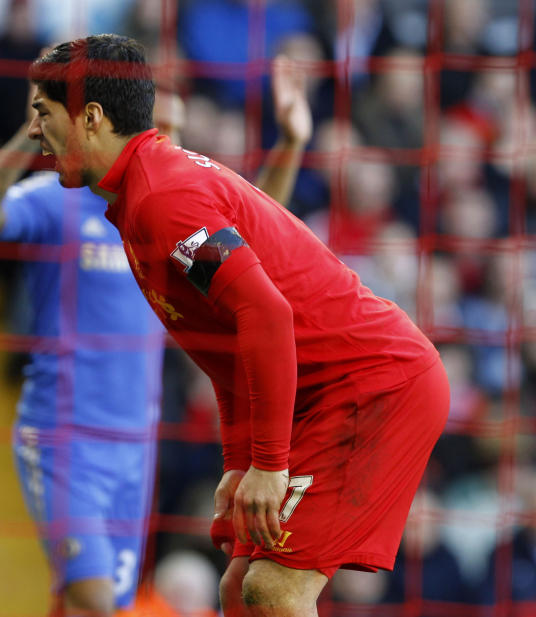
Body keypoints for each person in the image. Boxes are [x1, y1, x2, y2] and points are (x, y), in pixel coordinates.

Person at [24, 33, 449, 617]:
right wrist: (238, 460)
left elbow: (265, 313)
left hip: (372, 385)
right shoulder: (141, 195)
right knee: (238, 595)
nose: (32, 132)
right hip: (322, 393)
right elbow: (225, 344)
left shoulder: (163, 200)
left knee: (272, 592)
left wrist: (269, 462)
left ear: (91, 118)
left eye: (42, 114)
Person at [0, 47, 312, 617]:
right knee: (94, 599)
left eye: (173, 128)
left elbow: (255, 235)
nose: (162, 139)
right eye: (156, 125)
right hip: (63, 432)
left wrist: (291, 143)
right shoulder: (59, 200)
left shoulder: (172, 209)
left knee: (99, 605)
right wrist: (34, 131)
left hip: (136, 444)